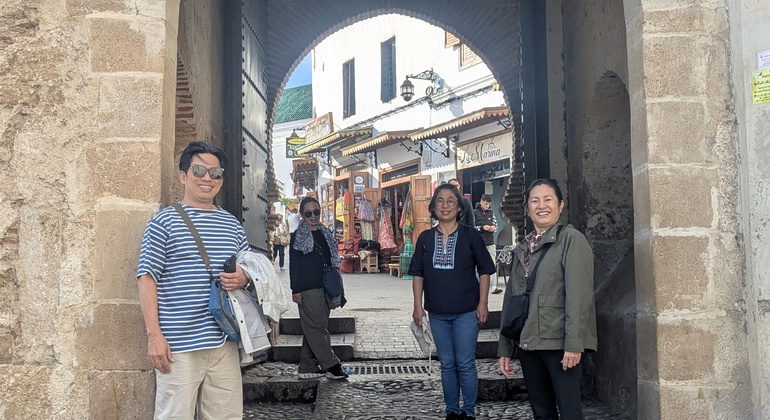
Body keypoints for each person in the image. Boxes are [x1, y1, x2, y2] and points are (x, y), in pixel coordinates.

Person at [136, 141, 250, 420]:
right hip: (178, 346)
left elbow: (252, 269)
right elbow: (147, 277)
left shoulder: (232, 225)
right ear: (183, 175)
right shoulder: (164, 222)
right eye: (199, 170)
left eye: (216, 173)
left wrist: (243, 277)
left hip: (224, 341)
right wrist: (154, 337)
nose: (207, 178)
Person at [497, 178, 597, 419]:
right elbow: (512, 298)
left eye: (548, 199)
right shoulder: (523, 247)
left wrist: (574, 343)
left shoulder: (571, 240)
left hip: (559, 344)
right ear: (528, 209)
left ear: (560, 205)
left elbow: (579, 296)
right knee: (542, 412)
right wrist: (505, 347)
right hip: (529, 343)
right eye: (535, 201)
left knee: (570, 412)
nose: (542, 206)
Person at [409, 183, 496, 420]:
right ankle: (452, 410)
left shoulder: (471, 236)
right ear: (433, 207)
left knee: (465, 362)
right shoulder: (425, 238)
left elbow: (486, 271)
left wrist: (483, 303)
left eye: (450, 201)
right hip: (437, 312)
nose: (445, 205)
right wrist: (418, 306)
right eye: (440, 201)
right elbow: (418, 274)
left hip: (467, 312)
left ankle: (468, 411)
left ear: (459, 207)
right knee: (447, 363)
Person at [289, 196, 349, 380]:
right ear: (302, 215)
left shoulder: (325, 233)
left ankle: (307, 366)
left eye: (316, 212)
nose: (313, 216)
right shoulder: (297, 237)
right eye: (308, 213)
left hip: (326, 286)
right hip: (308, 288)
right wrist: (296, 290)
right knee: (317, 329)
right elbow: (294, 265)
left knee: (314, 327)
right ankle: (331, 365)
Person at [473, 194, 502, 294]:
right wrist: (482, 228)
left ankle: (493, 286)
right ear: (481, 201)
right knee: (478, 264)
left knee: (492, 263)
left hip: (490, 242)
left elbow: (496, 226)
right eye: (485, 204)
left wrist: (492, 228)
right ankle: (478, 285)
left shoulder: (491, 213)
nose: (487, 206)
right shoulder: (475, 212)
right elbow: (472, 227)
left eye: (488, 205)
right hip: (479, 242)